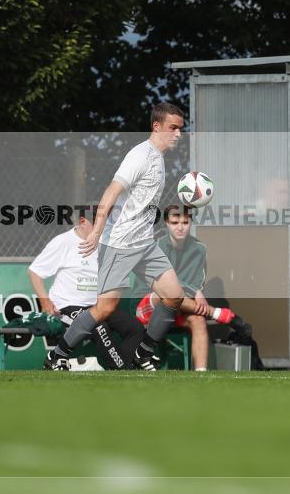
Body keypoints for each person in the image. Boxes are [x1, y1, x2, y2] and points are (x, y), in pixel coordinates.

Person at [43, 102, 186, 371]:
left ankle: (143, 352)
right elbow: (111, 192)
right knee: (104, 310)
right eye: (173, 128)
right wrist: (97, 231)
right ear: (157, 127)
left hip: (144, 243)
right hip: (119, 244)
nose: (178, 134)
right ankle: (57, 355)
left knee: (174, 295)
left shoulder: (159, 157)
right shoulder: (140, 156)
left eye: (181, 128)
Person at [132, 206, 253, 370]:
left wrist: (196, 290)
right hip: (150, 305)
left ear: (191, 223)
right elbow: (165, 285)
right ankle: (219, 313)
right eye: (175, 222)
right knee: (167, 294)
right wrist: (195, 291)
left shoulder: (199, 249)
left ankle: (200, 377)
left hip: (181, 307)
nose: (180, 227)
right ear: (167, 223)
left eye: (185, 222)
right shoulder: (156, 247)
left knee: (198, 320)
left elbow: (196, 284)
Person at [29, 207, 144, 369]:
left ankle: (122, 367)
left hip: (99, 306)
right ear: (83, 222)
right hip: (67, 306)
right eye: (98, 223)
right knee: (98, 327)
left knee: (136, 329)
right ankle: (121, 369)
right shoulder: (64, 241)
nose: (103, 228)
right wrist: (45, 302)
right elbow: (35, 271)